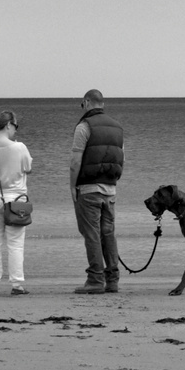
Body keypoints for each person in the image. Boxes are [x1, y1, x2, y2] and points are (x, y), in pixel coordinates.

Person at [68, 89, 125, 293]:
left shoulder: (84, 127)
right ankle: (112, 279)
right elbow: (121, 159)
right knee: (108, 233)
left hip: (89, 187)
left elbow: (76, 161)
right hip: (110, 189)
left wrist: (72, 186)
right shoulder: (117, 128)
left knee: (91, 234)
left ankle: (95, 280)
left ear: (86, 102)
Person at [0, 110, 32, 296]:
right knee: (15, 244)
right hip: (15, 200)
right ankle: (17, 285)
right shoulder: (20, 148)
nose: (15, 131)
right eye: (15, 126)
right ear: (9, 125)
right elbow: (28, 168)